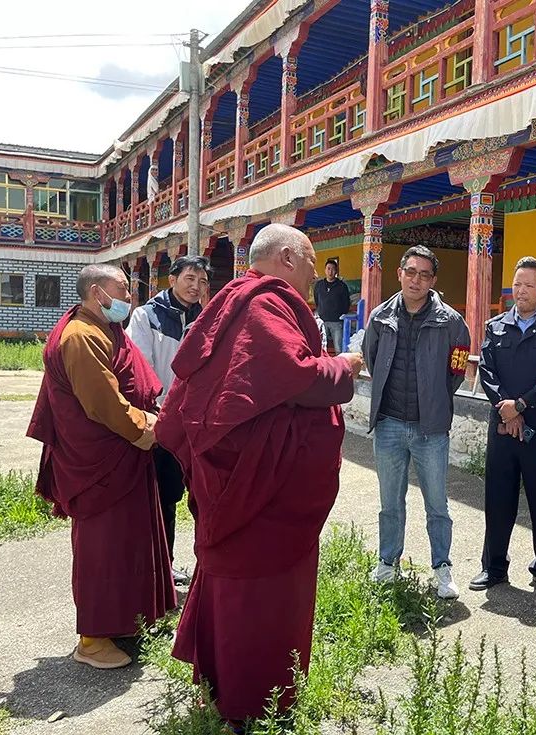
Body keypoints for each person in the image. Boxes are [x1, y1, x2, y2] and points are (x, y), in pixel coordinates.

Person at [155, 224, 362, 724]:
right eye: (312, 264)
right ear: (288, 257)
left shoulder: (233, 299)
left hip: (241, 473)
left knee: (233, 583)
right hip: (260, 487)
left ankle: (220, 683)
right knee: (261, 592)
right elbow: (296, 375)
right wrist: (343, 366)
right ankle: (253, 702)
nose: (315, 276)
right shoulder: (263, 304)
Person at [26, 264, 175, 670]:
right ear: (98, 293)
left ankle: (124, 621)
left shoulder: (104, 329)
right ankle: (92, 640)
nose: (129, 297)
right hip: (100, 462)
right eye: (123, 289)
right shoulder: (81, 336)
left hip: (122, 454)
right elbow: (103, 403)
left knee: (128, 543)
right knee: (103, 550)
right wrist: (149, 428)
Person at [363, 245, 471, 599]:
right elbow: (371, 356)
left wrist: (436, 398)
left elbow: (456, 370)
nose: (416, 280)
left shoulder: (451, 322)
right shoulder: (380, 317)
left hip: (431, 429)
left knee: (437, 505)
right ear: (399, 273)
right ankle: (388, 562)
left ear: (433, 280)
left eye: (425, 274)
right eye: (411, 272)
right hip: (390, 423)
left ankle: (442, 566)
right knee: (390, 503)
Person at [471, 257, 536, 594]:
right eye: (517, 284)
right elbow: (486, 372)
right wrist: (507, 410)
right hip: (502, 427)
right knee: (498, 499)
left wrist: (522, 405)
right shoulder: (495, 326)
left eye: (529, 285)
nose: (521, 291)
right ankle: (494, 567)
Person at [126, 254, 212, 585]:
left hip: (188, 424)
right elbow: (141, 368)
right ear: (172, 279)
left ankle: (167, 563)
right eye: (190, 278)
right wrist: (162, 410)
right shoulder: (146, 317)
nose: (196, 286)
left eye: (202, 281)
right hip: (156, 420)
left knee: (174, 494)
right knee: (153, 495)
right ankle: (148, 570)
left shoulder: (203, 319)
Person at [313, 257, 351, 353]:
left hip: (336, 322)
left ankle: (340, 368)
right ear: (325, 270)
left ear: (336, 271)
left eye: (333, 269)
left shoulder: (342, 286)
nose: (330, 271)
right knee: (320, 348)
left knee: (339, 348)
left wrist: (340, 314)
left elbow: (346, 303)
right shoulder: (319, 285)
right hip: (322, 321)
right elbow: (317, 299)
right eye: (328, 269)